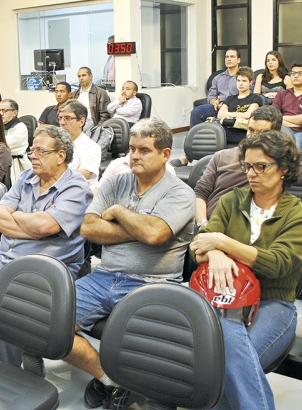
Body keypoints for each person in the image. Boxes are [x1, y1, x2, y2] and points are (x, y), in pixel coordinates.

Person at [64, 118, 195, 409]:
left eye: (144, 150)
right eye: (132, 149)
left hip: (153, 285)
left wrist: (120, 212)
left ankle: (136, 384)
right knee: (50, 323)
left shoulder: (180, 193)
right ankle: (108, 378)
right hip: (103, 276)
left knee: (145, 345)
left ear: (164, 154)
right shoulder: (115, 181)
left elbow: (155, 233)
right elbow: (87, 227)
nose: (134, 156)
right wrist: (140, 231)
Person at [190, 130, 302, 410]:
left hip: (275, 302)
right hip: (223, 298)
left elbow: (277, 264)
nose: (252, 173)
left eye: (261, 166)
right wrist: (213, 252)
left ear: (284, 169)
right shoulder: (232, 201)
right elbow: (198, 244)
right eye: (247, 166)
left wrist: (223, 243)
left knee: (222, 359)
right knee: (225, 348)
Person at [0, 125, 92, 366]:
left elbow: (45, 227)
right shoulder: (27, 177)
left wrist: (20, 219)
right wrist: (34, 227)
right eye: (31, 150)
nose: (33, 156)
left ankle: (12, 374)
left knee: (10, 311)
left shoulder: (76, 187)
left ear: (60, 156)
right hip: (2, 257)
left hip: (44, 271)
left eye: (40, 151)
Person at [190, 47, 245, 127]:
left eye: (232, 57)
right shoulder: (218, 77)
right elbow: (211, 96)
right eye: (227, 57)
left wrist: (226, 105)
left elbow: (248, 95)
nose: (229, 59)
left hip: (236, 107)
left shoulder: (244, 77)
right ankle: (196, 138)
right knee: (196, 112)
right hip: (218, 107)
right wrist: (215, 103)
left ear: (238, 60)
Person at [273, 62, 302, 150]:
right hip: (281, 130)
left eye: (300, 73)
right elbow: (274, 117)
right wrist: (297, 123)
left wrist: (282, 118)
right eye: (293, 73)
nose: (296, 76)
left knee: (294, 148)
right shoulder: (281, 94)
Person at [59, 99, 102, 190]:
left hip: (77, 194)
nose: (62, 123)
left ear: (81, 122)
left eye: (67, 118)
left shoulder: (92, 147)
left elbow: (82, 174)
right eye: (60, 118)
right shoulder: (56, 144)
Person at [217, 66, 261, 146]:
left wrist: (228, 115)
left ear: (250, 82)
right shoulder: (230, 98)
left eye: (244, 81)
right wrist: (239, 115)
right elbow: (220, 114)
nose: (240, 84)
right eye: (238, 80)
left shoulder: (255, 98)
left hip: (244, 132)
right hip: (226, 131)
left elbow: (248, 115)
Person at [0, 99, 32, 183]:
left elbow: (6, 146)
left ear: (15, 113)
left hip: (16, 165)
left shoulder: (20, 127)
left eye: (4, 110)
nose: (1, 114)